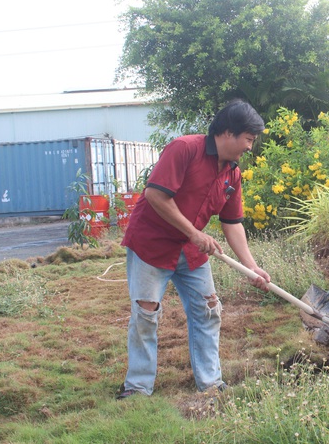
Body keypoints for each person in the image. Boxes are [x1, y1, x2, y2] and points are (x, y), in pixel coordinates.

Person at [116, 100, 271, 399]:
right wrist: (193, 232)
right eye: (248, 140)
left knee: (208, 310)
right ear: (228, 133)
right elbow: (155, 195)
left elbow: (232, 223)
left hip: (191, 251)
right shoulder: (184, 149)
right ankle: (137, 387)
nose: (250, 148)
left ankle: (210, 383)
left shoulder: (232, 174)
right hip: (152, 245)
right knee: (146, 315)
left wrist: (251, 265)